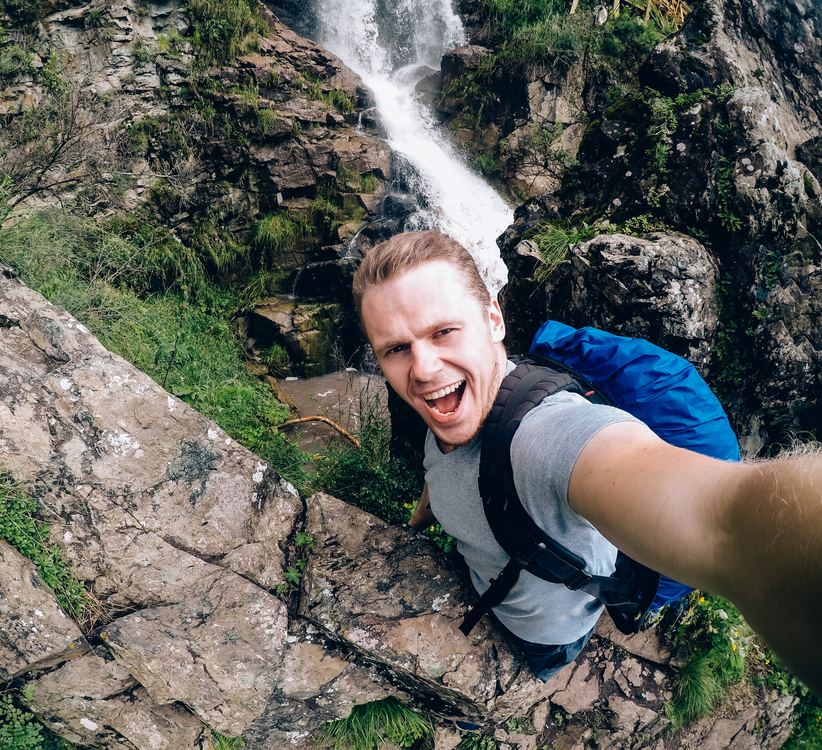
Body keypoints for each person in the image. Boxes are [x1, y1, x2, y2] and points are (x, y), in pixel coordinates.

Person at [352, 229, 822, 691]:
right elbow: (446, 465)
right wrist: (422, 514)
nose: (423, 369)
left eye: (444, 332)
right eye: (396, 348)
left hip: (541, 639)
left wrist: (772, 539)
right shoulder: (454, 406)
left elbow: (721, 521)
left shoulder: (548, 439)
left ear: (493, 319)